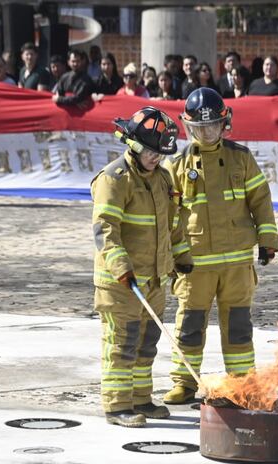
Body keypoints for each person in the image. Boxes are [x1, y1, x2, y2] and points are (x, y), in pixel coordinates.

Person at [163, 88, 278, 404]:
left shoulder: (240, 158)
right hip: (194, 265)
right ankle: (184, 384)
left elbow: (261, 200)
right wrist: (174, 255)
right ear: (188, 127)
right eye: (199, 128)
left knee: (238, 329)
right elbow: (168, 217)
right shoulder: (176, 167)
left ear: (224, 123)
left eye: (212, 126)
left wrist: (267, 241)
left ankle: (242, 385)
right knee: (189, 326)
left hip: (237, 265)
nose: (206, 132)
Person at [92, 107, 193, 428]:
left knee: (146, 343)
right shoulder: (114, 179)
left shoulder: (162, 179)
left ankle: (140, 399)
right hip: (120, 282)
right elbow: (105, 229)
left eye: (161, 154)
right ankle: (117, 406)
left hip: (153, 279)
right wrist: (120, 266)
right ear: (133, 145)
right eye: (151, 152)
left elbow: (172, 224)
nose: (157, 159)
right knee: (122, 343)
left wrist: (181, 256)